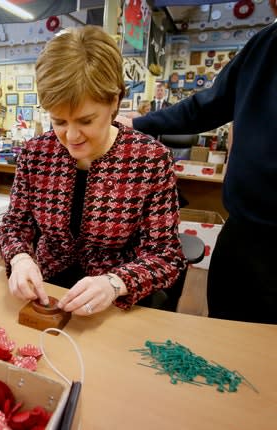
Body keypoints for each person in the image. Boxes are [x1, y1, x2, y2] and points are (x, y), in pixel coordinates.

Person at [0, 26, 186, 317]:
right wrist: (20, 258)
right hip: (47, 291)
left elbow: (166, 255)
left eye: (85, 120)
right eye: (59, 121)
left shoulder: (150, 159)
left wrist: (115, 282)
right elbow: (14, 226)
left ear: (114, 102)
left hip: (115, 302)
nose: (71, 136)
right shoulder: (36, 153)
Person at [116, 0, 277, 324]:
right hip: (244, 229)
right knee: (225, 323)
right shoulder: (265, 44)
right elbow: (207, 106)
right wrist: (142, 123)